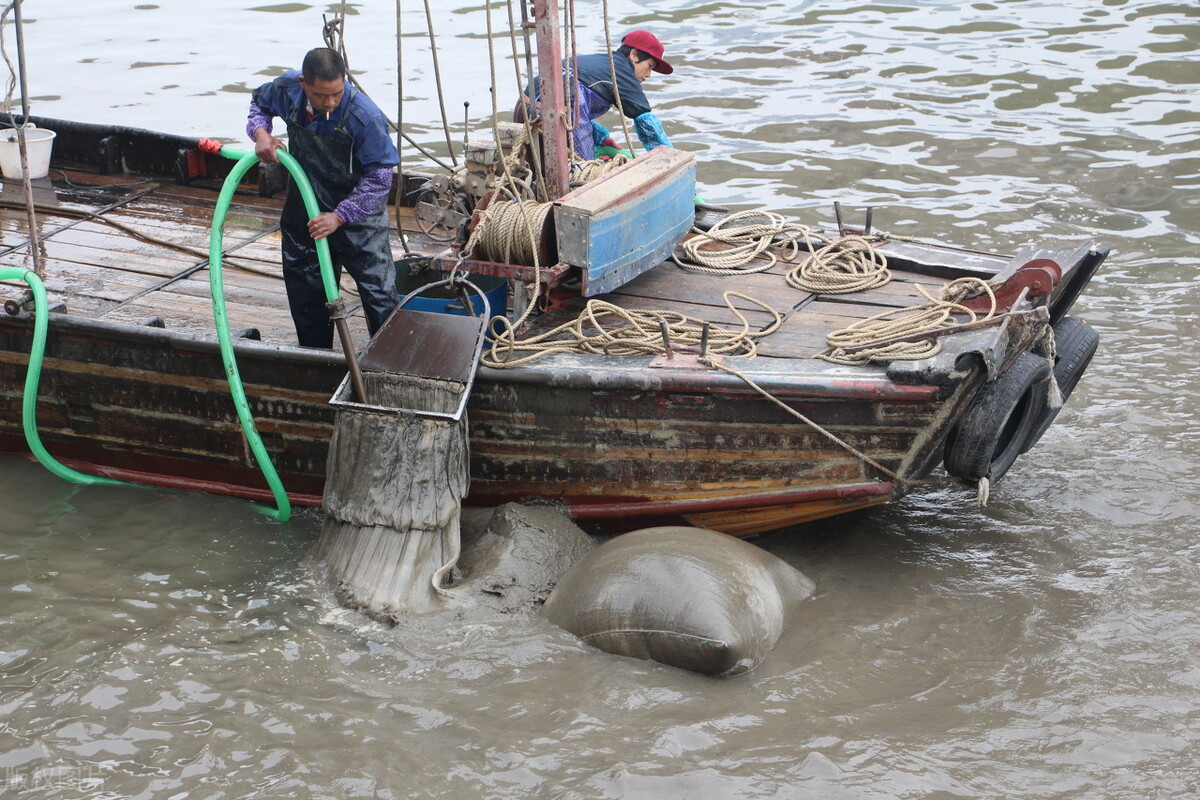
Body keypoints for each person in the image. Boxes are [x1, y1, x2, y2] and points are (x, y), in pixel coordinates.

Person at [247, 47, 399, 348]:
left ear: (344, 81)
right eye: (320, 95)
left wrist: (340, 216)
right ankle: (314, 358)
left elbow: (381, 178)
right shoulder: (287, 89)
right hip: (306, 206)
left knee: (379, 294)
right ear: (304, 83)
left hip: (358, 220)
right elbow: (258, 105)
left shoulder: (364, 117)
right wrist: (260, 133)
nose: (329, 103)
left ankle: (388, 363)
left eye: (336, 94)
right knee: (306, 291)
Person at [521, 30, 675, 161]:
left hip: (526, 106)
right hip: (565, 107)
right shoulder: (622, 71)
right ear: (634, 55)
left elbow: (581, 113)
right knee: (582, 168)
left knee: (539, 166)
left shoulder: (600, 62)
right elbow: (646, 121)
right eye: (649, 66)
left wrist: (599, 138)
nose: (648, 75)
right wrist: (668, 157)